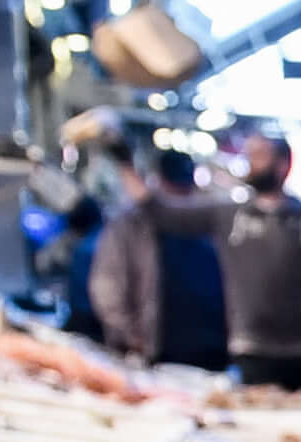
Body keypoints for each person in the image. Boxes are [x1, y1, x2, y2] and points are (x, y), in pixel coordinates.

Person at [91, 148, 228, 371]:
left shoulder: (205, 220)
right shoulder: (130, 224)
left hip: (214, 352)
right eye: (173, 188)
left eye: (184, 189)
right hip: (156, 351)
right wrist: (130, 335)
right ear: (158, 182)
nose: (179, 197)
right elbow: (106, 284)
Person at [215, 134, 301, 392]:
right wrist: (123, 160)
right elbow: (158, 210)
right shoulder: (229, 215)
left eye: (259, 156)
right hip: (250, 348)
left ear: (283, 164)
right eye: (249, 155)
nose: (251, 163)